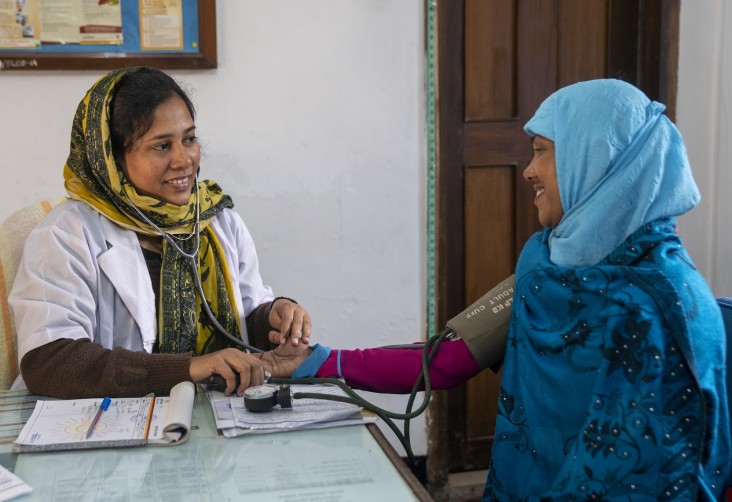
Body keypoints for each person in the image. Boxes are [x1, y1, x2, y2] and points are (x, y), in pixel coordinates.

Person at [291, 79, 731, 500]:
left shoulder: (657, 309)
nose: (528, 171)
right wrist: (319, 361)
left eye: (541, 152)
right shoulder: (545, 265)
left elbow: (630, 480)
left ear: (593, 157)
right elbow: (447, 358)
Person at [10, 66, 311, 399]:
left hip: (216, 416)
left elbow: (243, 317)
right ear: (110, 157)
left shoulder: (216, 220)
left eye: (189, 139)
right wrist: (190, 369)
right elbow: (50, 363)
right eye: (161, 146)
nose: (184, 160)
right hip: (103, 426)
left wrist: (274, 321)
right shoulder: (66, 234)